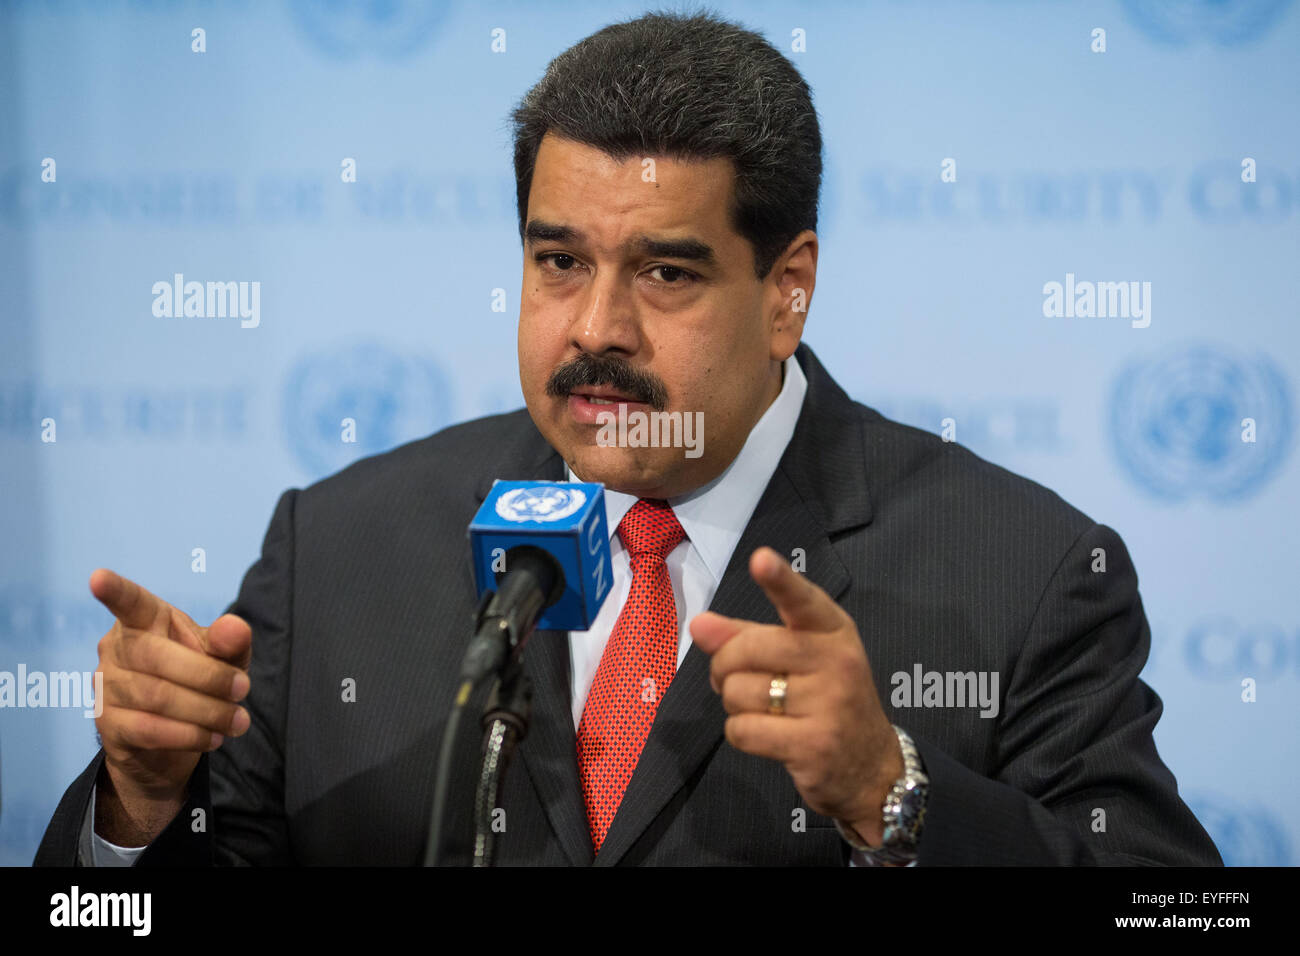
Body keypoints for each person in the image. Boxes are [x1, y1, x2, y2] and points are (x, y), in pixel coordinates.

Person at [36, 11, 1220, 867]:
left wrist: (889, 791)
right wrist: (139, 812)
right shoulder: (339, 545)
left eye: (664, 270)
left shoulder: (1022, 572)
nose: (595, 328)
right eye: (558, 261)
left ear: (787, 288)